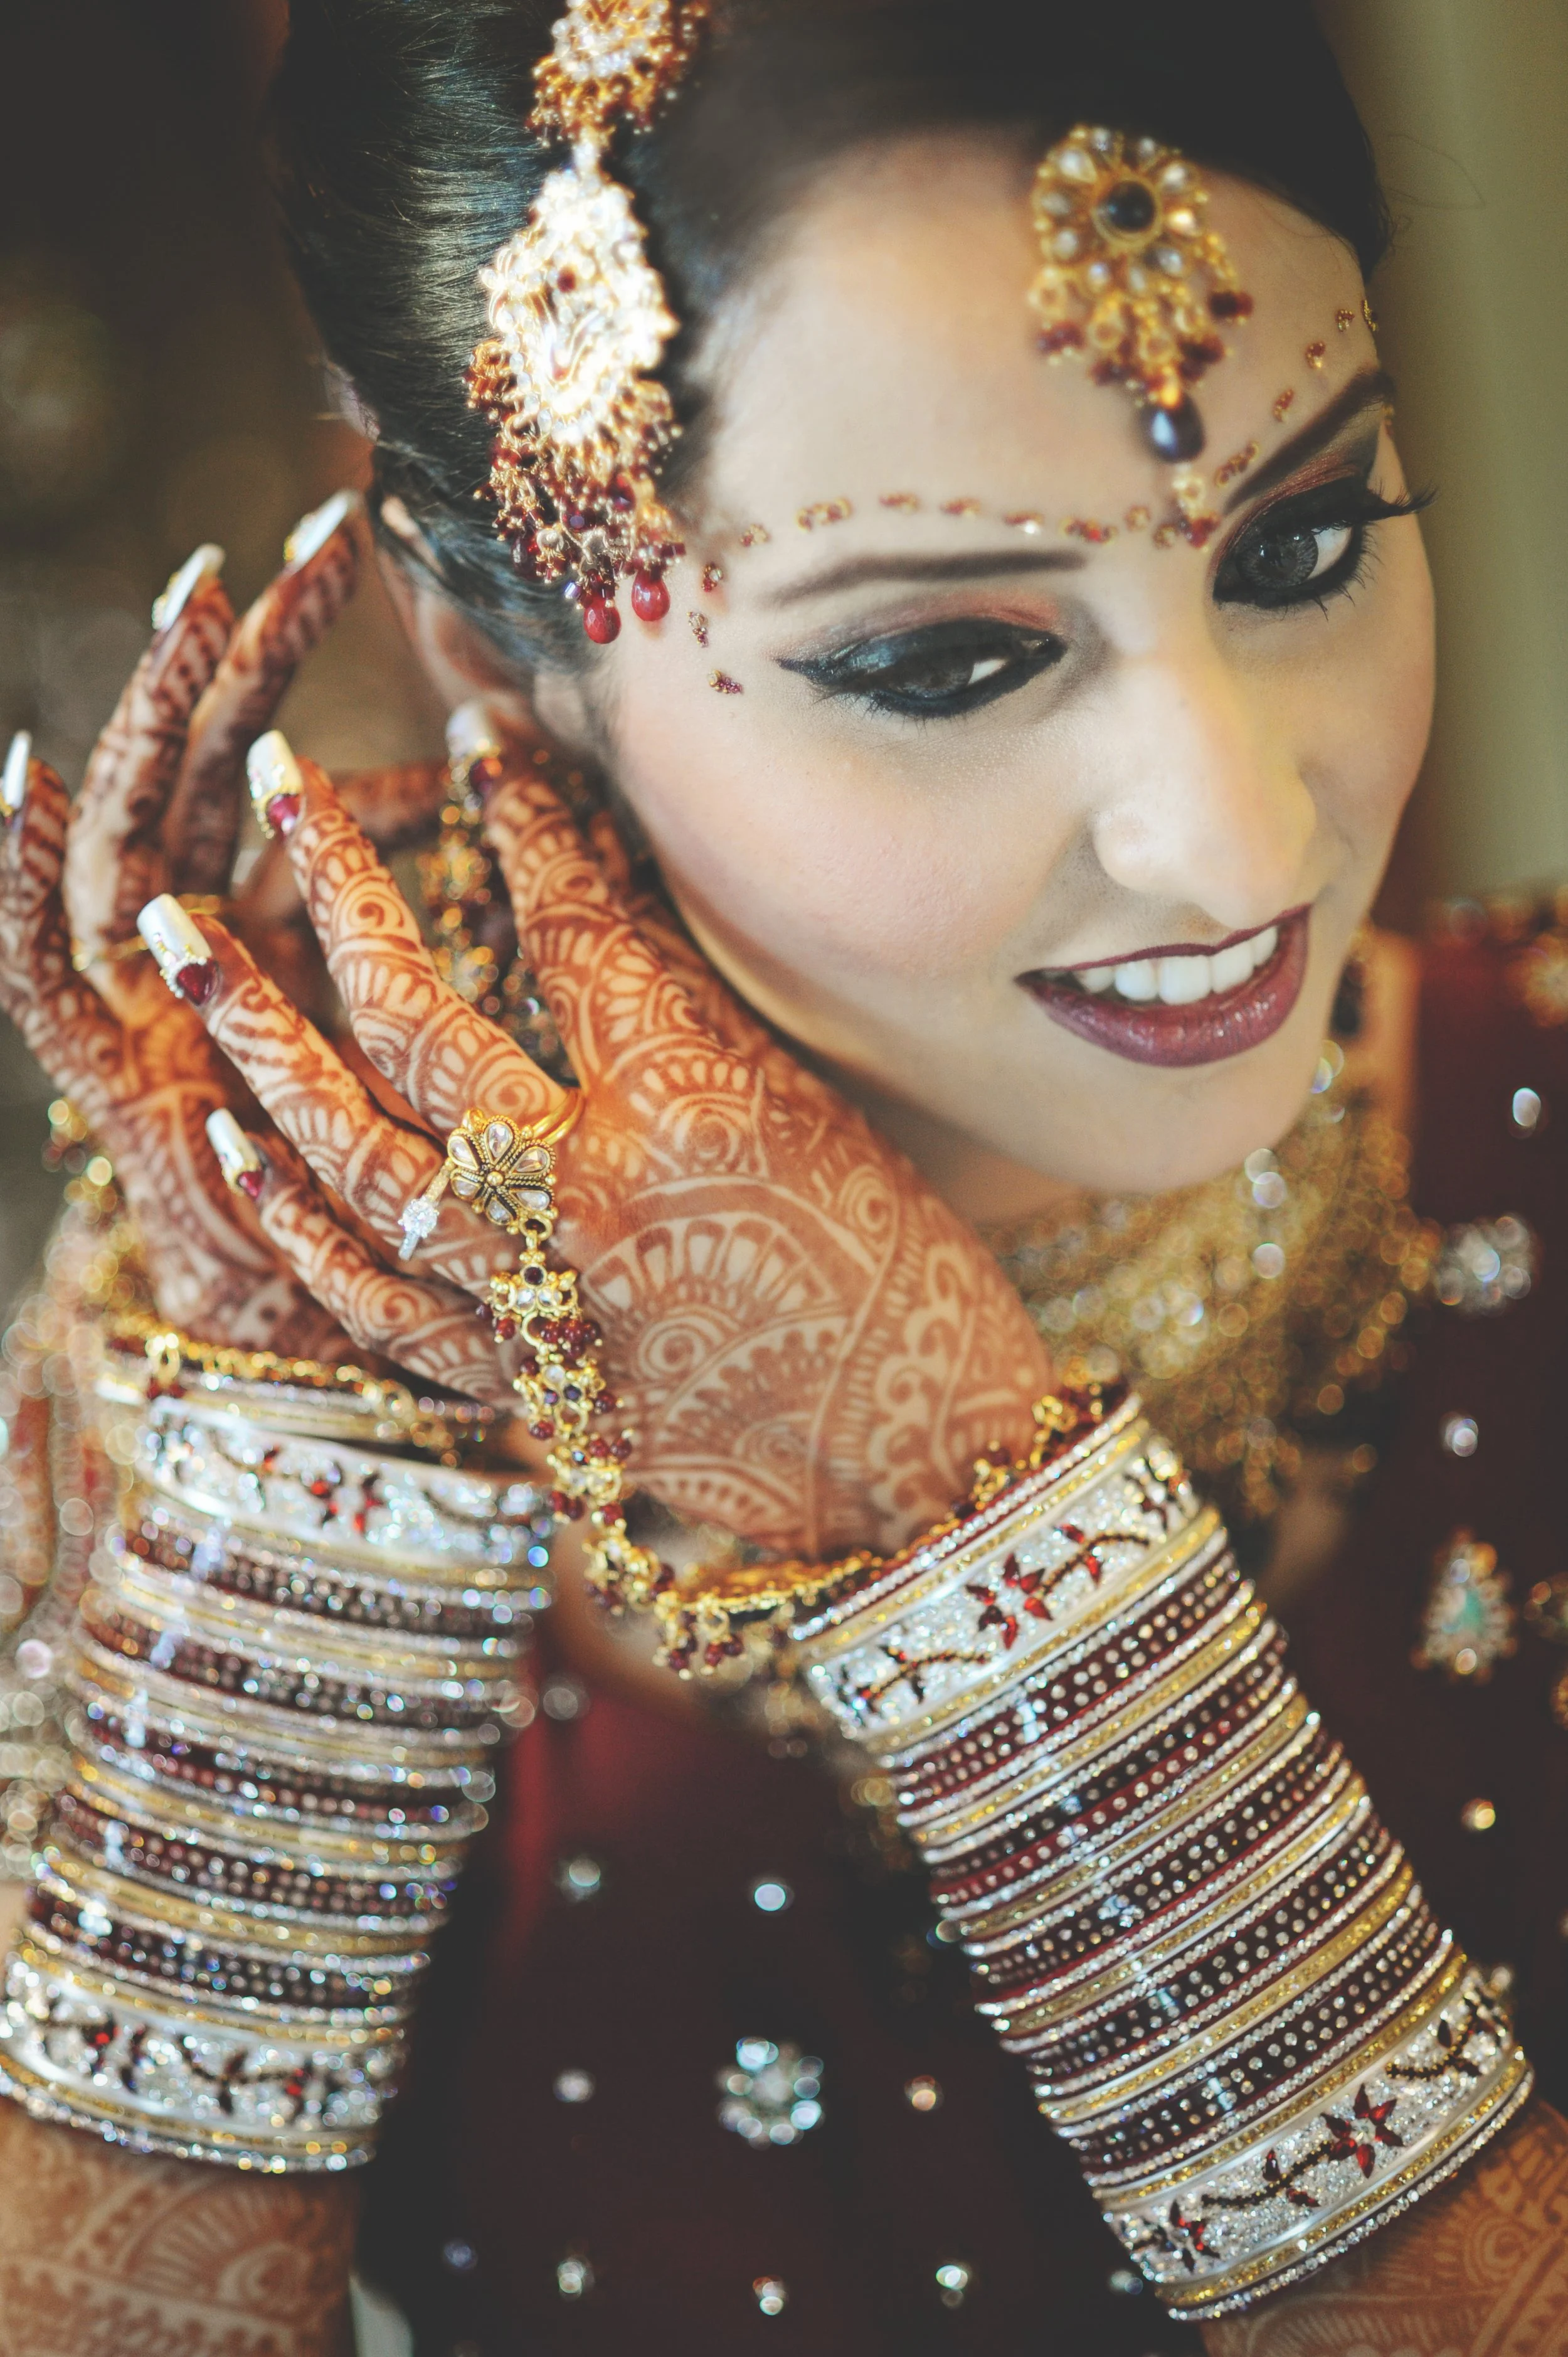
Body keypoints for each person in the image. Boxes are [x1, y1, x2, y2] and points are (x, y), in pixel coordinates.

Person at [1, 1, 1565, 2349]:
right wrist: (304, 1541)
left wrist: (980, 1524)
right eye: (945, 659)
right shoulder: (266, 1341)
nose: (1236, 834)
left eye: (1306, 539)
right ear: (488, 654)